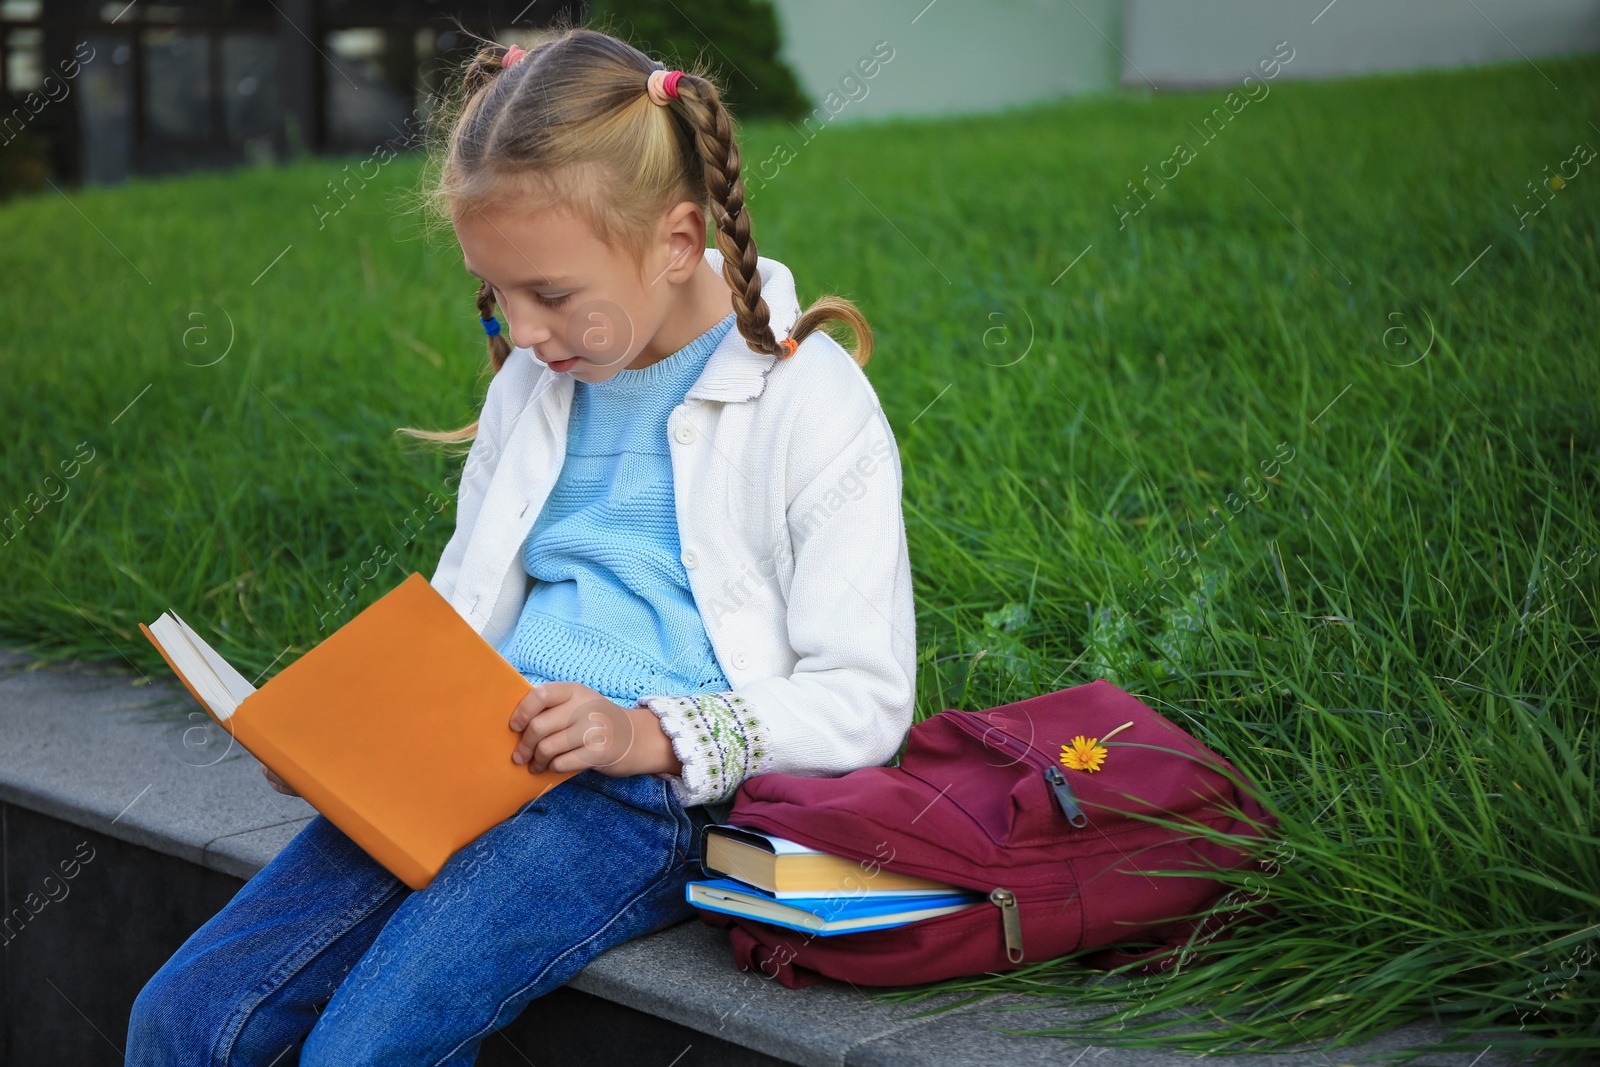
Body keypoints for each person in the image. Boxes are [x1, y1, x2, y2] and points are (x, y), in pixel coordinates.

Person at [125, 24, 915, 1066]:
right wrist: (341, 746)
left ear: (678, 241)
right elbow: (461, 614)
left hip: (635, 797)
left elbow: (865, 695)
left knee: (364, 1048)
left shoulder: (808, 401)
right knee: (184, 1012)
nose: (521, 329)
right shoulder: (537, 386)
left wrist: (643, 734)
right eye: (496, 290)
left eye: (551, 294)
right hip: (467, 758)